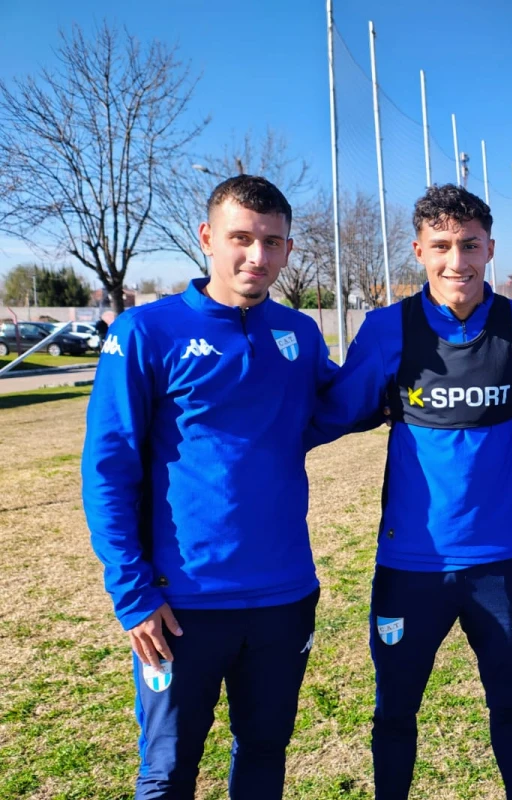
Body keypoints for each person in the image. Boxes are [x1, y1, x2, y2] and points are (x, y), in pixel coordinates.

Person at [308, 184, 512, 799]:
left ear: (490, 249)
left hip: (501, 563)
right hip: (411, 565)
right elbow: (332, 414)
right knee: (395, 709)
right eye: (442, 247)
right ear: (418, 251)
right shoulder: (386, 330)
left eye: (470, 245)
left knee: (510, 701)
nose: (457, 261)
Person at [81, 175, 337, 799]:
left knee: (264, 754)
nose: (257, 256)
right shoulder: (146, 332)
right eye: (241, 238)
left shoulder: (298, 333)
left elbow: (345, 401)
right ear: (207, 238)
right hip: (181, 603)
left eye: (272, 242)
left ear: (288, 248)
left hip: (283, 596)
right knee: (168, 774)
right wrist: (132, 591)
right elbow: (108, 469)